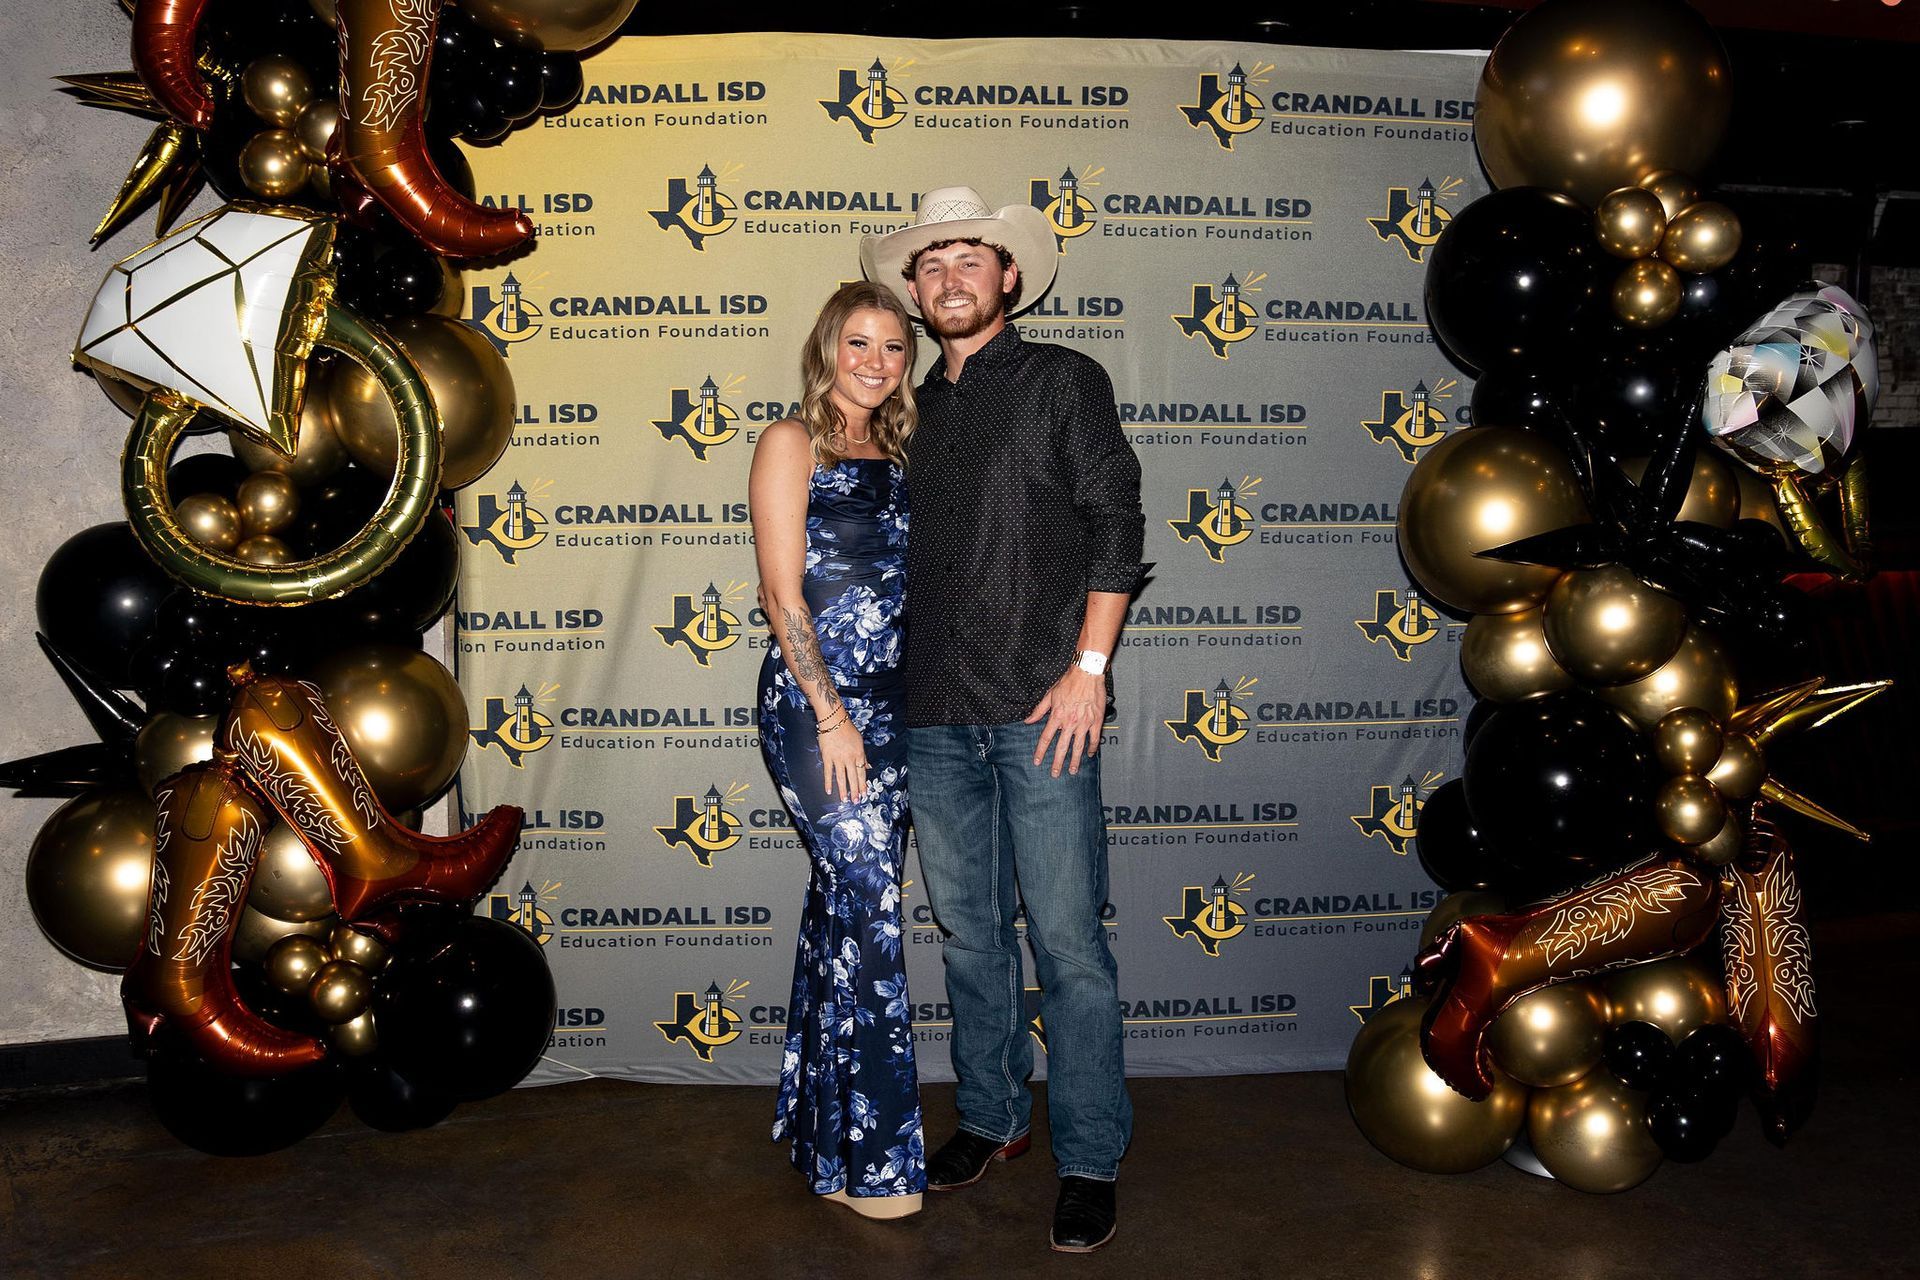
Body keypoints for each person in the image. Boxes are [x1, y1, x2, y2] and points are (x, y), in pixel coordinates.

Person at [859, 187, 1145, 1253]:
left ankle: (1090, 1154)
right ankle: (989, 1117)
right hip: (931, 712)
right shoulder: (904, 410)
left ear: (1009, 276)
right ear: (916, 290)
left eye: (969, 259)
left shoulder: (1064, 379)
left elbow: (1118, 517)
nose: (949, 279)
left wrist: (1089, 667)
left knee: (1069, 944)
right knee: (971, 936)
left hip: (1042, 711)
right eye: (931, 265)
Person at [749, 281, 924, 1219]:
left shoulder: (897, 451)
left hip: (893, 708)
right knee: (870, 907)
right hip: (818, 710)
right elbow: (784, 597)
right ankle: (877, 1163)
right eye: (859, 342)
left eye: (894, 347)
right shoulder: (792, 442)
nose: (875, 361)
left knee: (845, 915)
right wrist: (829, 713)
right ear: (827, 347)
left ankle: (826, 1140)